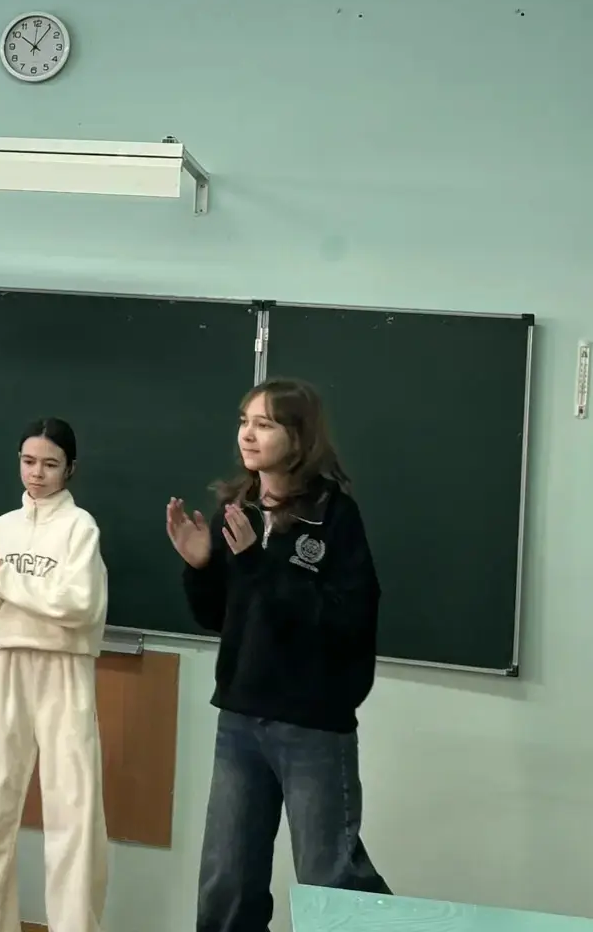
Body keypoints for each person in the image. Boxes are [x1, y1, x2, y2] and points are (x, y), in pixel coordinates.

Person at [166, 379, 389, 932]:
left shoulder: (334, 516)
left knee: (330, 878)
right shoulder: (236, 511)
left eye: (264, 424)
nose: (248, 434)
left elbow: (344, 620)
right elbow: (219, 616)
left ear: (299, 436)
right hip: (241, 718)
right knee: (226, 881)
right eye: (244, 421)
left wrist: (257, 564)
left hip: (313, 724)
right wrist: (201, 567)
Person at [0, 418, 109, 932]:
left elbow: (78, 605)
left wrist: (2, 577)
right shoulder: (1, 529)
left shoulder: (80, 528)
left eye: (50, 464)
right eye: (29, 461)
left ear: (70, 469)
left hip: (64, 669)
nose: (37, 473)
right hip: (7, 664)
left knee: (73, 810)